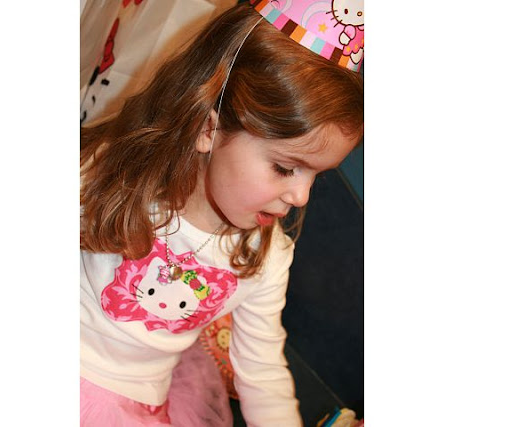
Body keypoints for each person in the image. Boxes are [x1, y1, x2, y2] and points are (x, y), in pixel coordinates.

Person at [80, 1, 364, 425]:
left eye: (316, 176)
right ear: (208, 129)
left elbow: (262, 372)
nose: (302, 197)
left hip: (140, 403)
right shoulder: (113, 171)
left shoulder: (266, 258)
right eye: (285, 168)